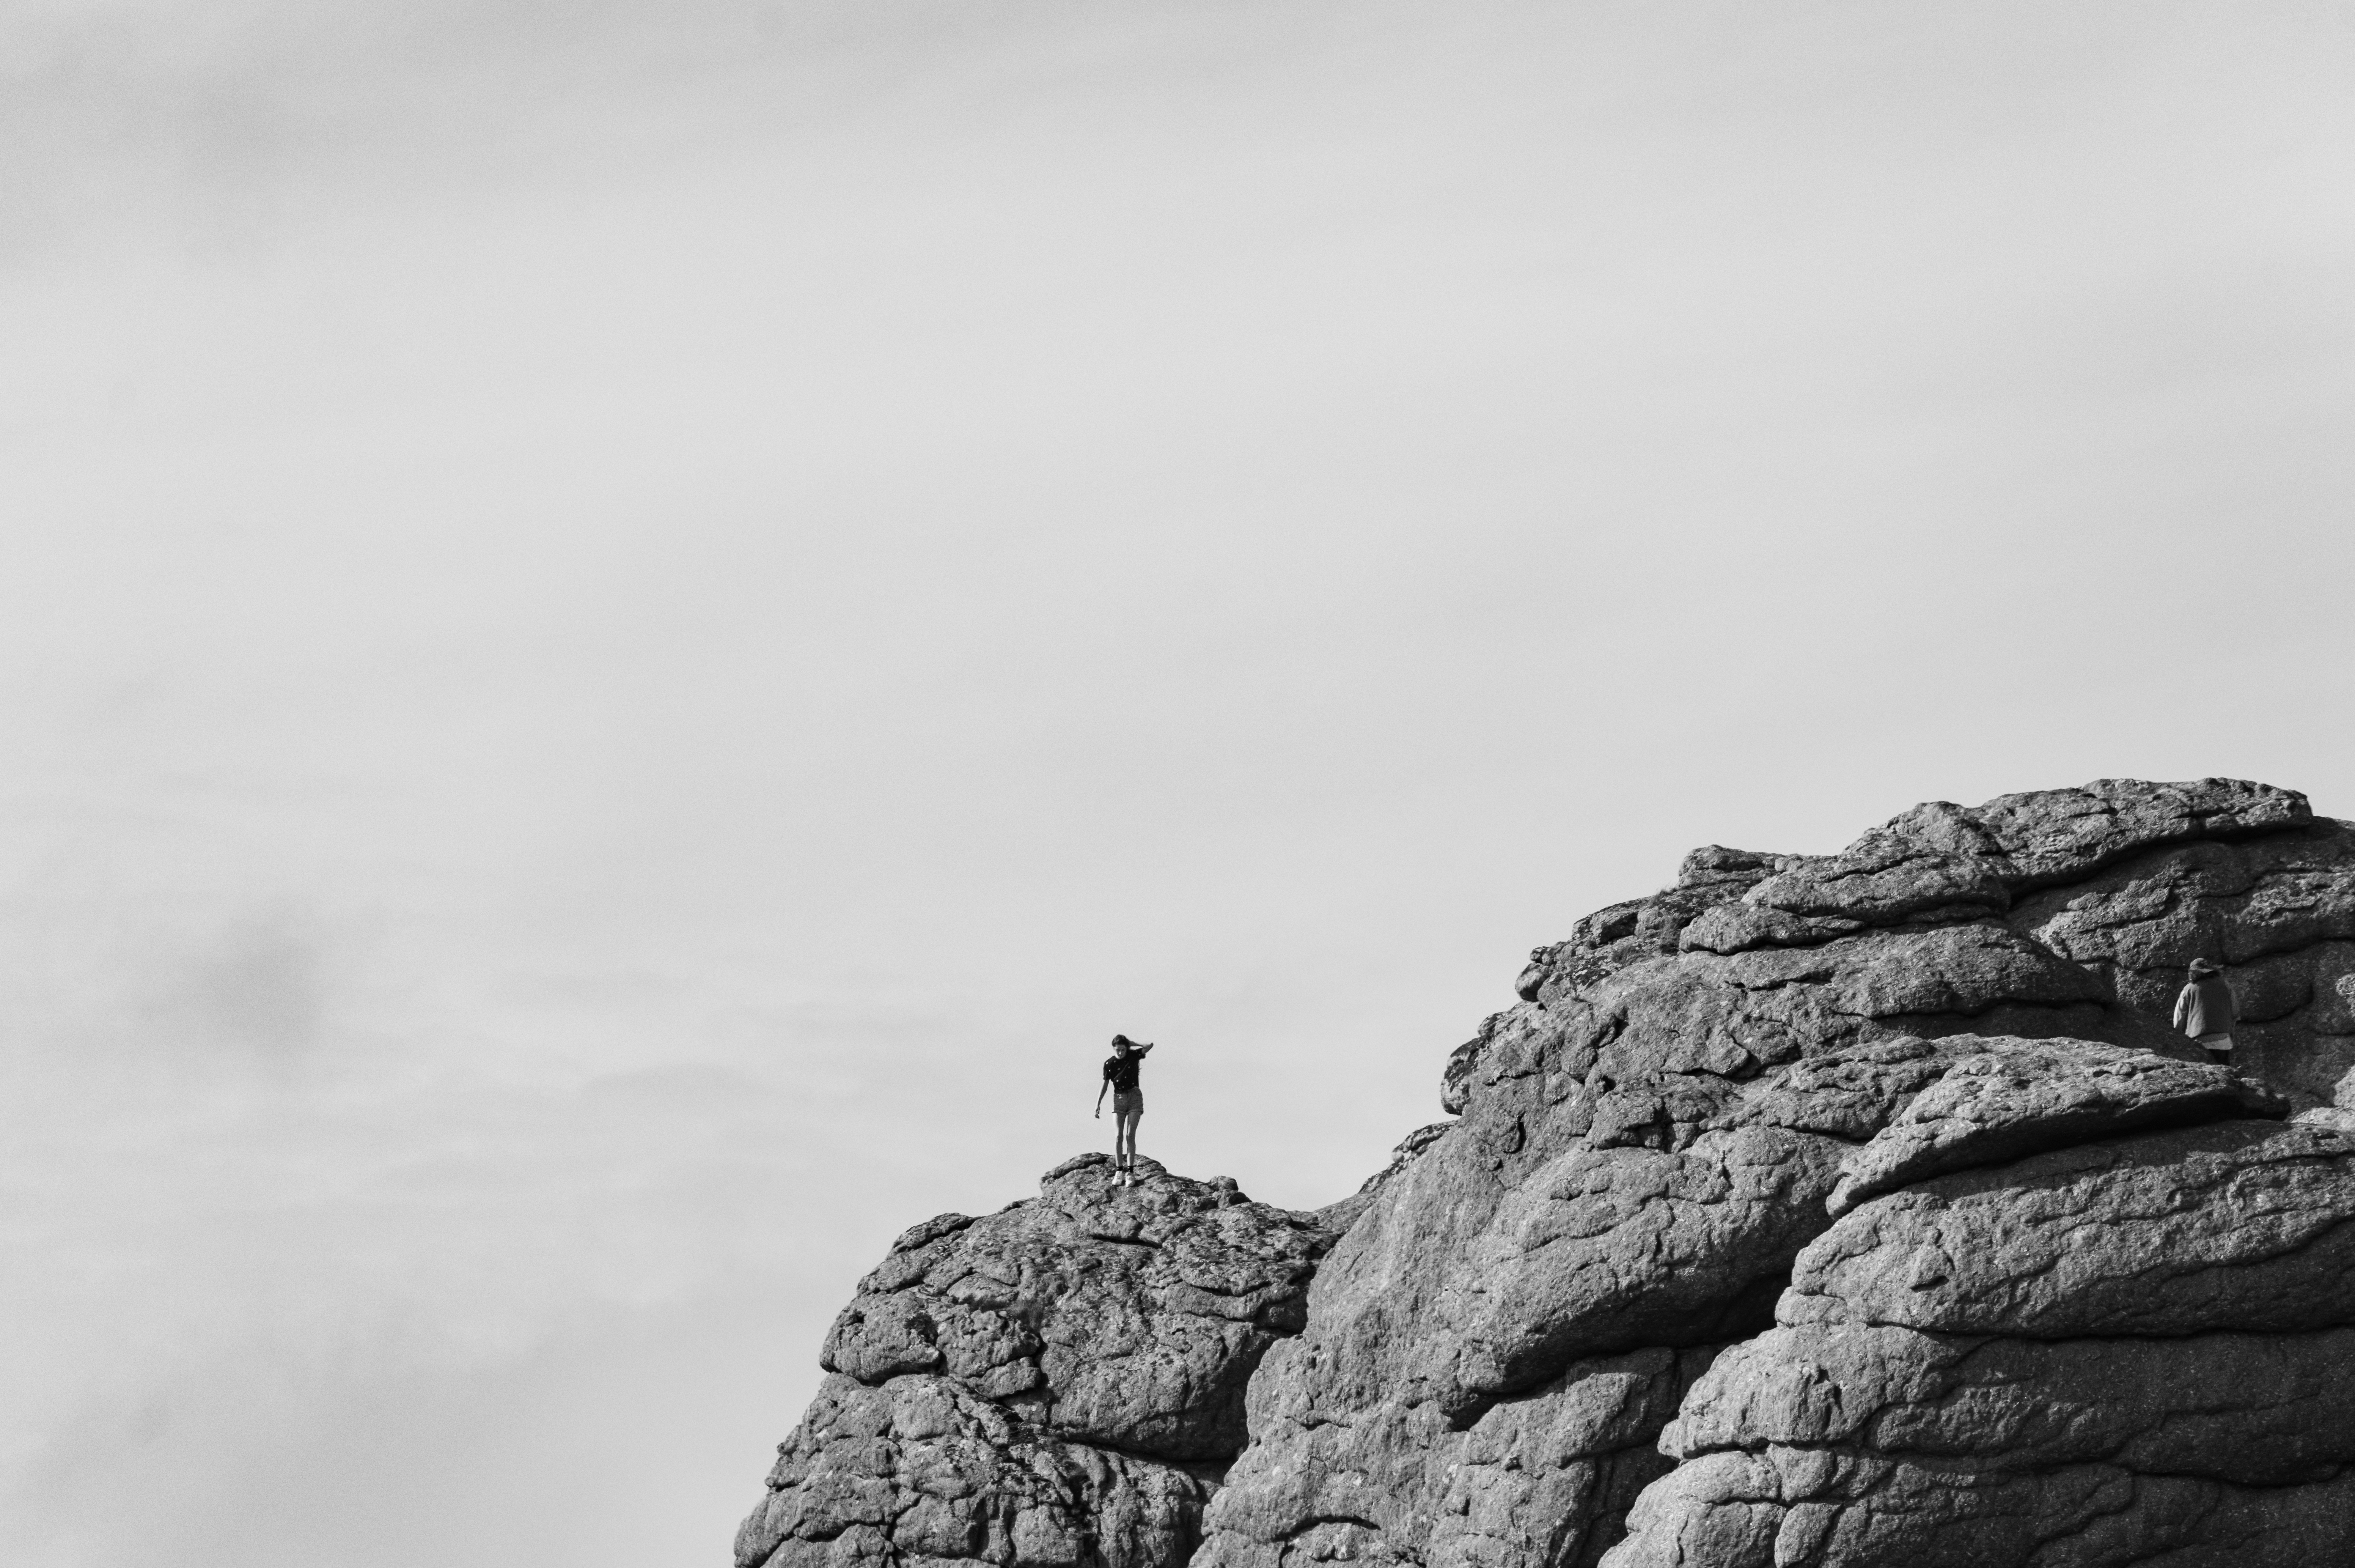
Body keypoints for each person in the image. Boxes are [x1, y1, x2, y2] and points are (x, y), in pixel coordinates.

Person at [1093, 1034, 1156, 1186]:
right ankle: (1119, 1171)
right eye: (1118, 1050)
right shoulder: (1109, 1063)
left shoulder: (1133, 1055)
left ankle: (1131, 1173)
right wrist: (1098, 1103)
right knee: (1118, 1136)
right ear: (1114, 1049)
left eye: (1123, 1049)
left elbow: (1150, 1045)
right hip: (1119, 1099)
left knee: (1130, 1135)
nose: (1121, 1053)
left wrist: (1132, 1044)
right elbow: (1105, 1085)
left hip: (1135, 1097)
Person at [2173, 958, 2238, 1069]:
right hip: (2224, 1042)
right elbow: (2235, 1011)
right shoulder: (2225, 985)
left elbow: (2179, 1020)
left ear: (2192, 973)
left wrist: (2180, 1041)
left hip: (2199, 1044)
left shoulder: (2188, 989)